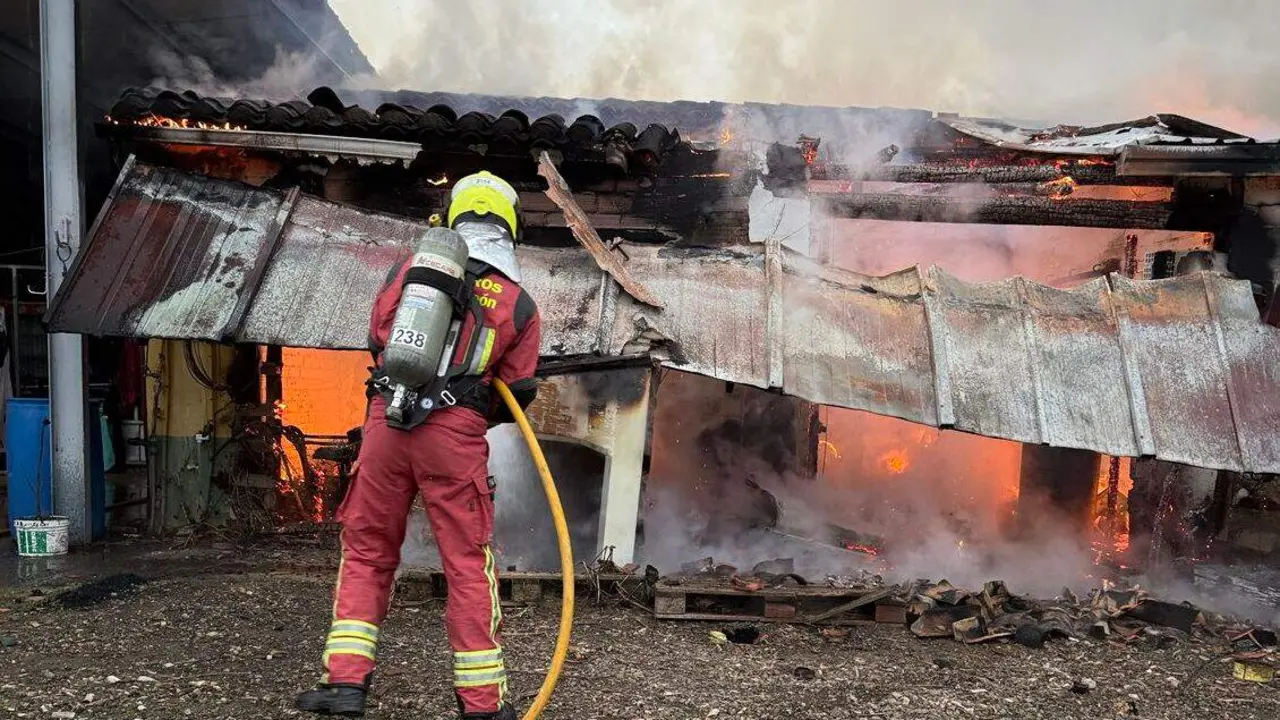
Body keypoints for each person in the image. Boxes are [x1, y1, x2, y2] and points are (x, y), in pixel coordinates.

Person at [296, 172, 541, 719]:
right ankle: (482, 706)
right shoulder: (518, 301)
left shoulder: (410, 272)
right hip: (454, 439)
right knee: (466, 563)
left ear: (452, 218)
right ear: (510, 226)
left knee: (367, 551)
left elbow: (378, 338)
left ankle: (345, 684)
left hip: (388, 422)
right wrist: (468, 408)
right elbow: (520, 389)